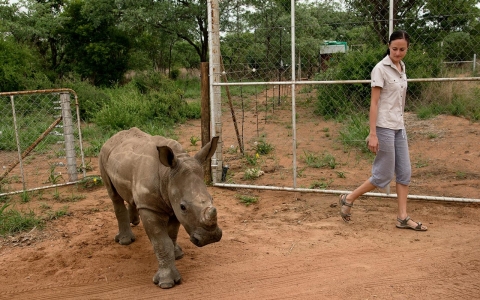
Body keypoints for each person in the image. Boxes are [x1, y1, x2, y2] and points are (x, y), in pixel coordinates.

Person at [339, 30, 427, 231]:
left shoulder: (401, 67)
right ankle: (349, 198)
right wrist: (373, 133)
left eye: (402, 49)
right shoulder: (380, 69)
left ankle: (402, 218)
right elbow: (374, 103)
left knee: (404, 173)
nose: (398, 53)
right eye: (394, 49)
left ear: (407, 48)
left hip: (399, 127)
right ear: (388, 46)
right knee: (383, 175)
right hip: (384, 127)